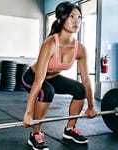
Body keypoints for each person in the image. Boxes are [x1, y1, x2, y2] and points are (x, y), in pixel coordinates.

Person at [21, 1, 97, 150]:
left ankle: (69, 130)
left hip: (53, 78)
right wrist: (28, 113)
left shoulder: (80, 49)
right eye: (72, 16)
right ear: (60, 19)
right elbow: (38, 81)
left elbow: (86, 80)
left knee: (80, 89)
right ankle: (35, 133)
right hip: (32, 78)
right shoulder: (50, 44)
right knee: (47, 91)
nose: (77, 21)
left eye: (79, 17)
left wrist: (91, 106)